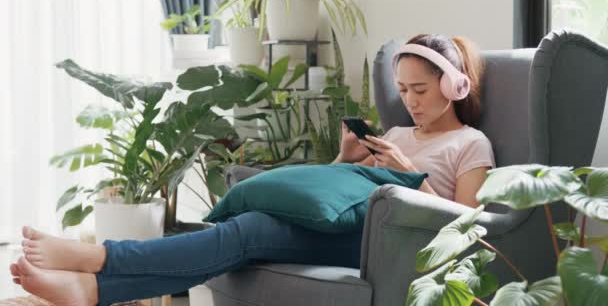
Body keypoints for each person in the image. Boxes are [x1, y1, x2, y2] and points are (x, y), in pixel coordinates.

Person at [9, 34, 495, 306]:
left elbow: (468, 224)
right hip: (345, 226)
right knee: (245, 231)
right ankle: (93, 288)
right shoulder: (393, 136)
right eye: (403, 90)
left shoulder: (471, 144)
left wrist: (413, 173)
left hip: (386, 243)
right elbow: (331, 196)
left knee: (250, 232)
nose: (409, 102)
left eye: (421, 90)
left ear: (453, 86)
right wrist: (344, 160)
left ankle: (98, 263)